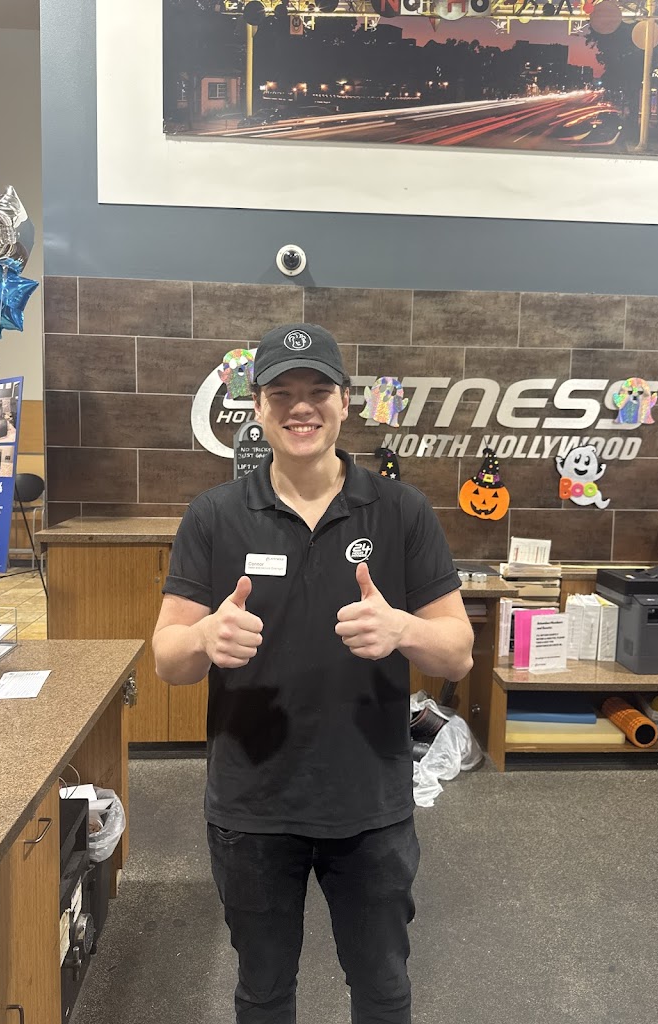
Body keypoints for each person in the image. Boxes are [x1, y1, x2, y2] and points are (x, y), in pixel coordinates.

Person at [152, 323, 474, 1024]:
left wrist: (403, 630)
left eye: (318, 391)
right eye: (282, 393)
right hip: (252, 806)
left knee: (382, 989)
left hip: (370, 803)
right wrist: (203, 636)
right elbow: (167, 659)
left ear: (345, 402)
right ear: (258, 408)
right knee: (263, 992)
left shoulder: (401, 511)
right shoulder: (213, 516)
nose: (301, 407)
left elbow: (457, 653)